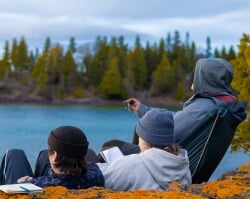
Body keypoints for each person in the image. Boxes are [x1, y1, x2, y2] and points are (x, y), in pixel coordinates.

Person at [101, 57, 243, 155]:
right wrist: (143, 110)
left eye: (197, 76)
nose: (193, 80)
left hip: (167, 159)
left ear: (206, 79)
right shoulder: (224, 103)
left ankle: (135, 164)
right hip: (187, 159)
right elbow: (176, 119)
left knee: (111, 146)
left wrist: (146, 116)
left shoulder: (204, 106)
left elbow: (168, 129)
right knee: (142, 126)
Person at [99, 109, 191, 191]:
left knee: (94, 153)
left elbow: (102, 179)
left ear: (144, 140)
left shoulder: (131, 165)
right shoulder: (184, 168)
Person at [0, 126, 105, 189]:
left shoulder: (37, 185)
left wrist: (24, 183)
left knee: (13, 153)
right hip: (75, 182)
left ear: (55, 155)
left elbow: (49, 183)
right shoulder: (95, 173)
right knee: (45, 154)